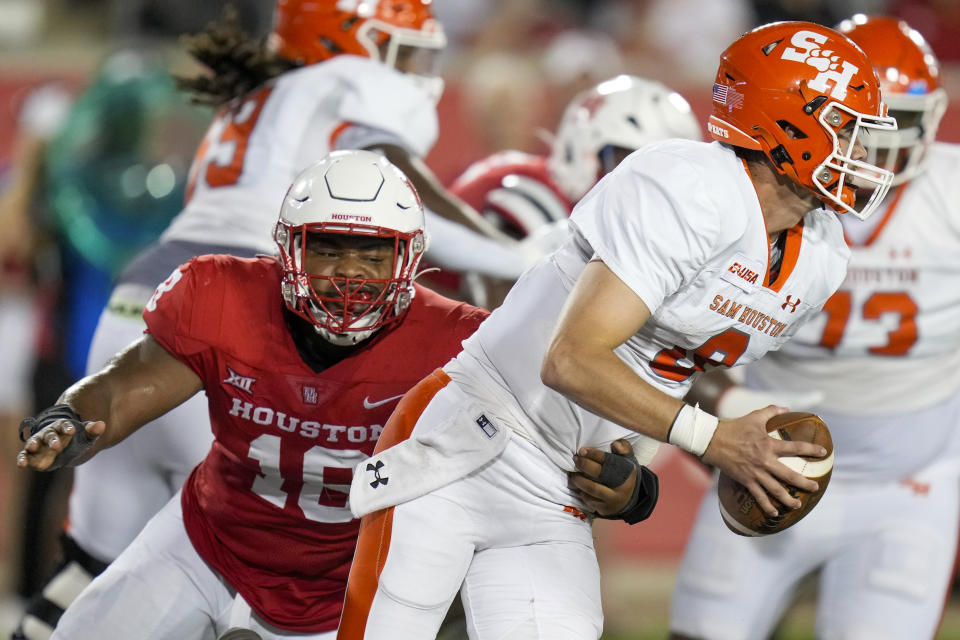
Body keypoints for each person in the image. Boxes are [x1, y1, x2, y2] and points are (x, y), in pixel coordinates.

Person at [336, 20, 898, 640]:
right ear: (789, 125)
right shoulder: (691, 187)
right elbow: (571, 359)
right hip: (471, 444)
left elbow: (671, 368)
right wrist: (714, 440)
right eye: (845, 129)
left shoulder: (821, 258)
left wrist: (633, 479)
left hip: (560, 491)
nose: (861, 155)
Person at [13, 3, 530, 637]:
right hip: (254, 320)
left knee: (93, 566)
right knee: (248, 542)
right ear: (351, 40)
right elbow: (396, 199)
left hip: (140, 297)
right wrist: (523, 258)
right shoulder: (355, 87)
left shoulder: (253, 99)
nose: (421, 73)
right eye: (403, 52)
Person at [668, 15, 960, 640]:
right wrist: (719, 409)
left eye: (897, 127)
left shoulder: (949, 192)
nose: (875, 152)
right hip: (767, 460)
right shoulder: (773, 188)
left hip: (908, 484)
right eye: (856, 131)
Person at [442, 73, 702, 307]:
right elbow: (498, 320)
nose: (646, 183)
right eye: (627, 160)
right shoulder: (528, 190)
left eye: (663, 171)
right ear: (582, 146)